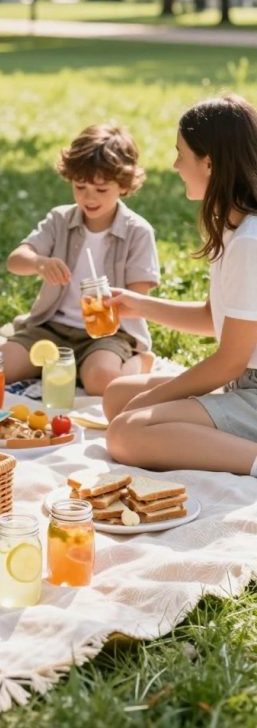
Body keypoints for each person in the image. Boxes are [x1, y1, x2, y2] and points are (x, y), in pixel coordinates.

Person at [104, 94, 257, 477]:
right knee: (116, 396)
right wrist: (138, 305)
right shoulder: (231, 225)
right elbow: (214, 319)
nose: (175, 165)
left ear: (210, 162)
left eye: (180, 154)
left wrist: (148, 402)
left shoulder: (250, 241)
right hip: (243, 382)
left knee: (125, 432)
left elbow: (229, 361)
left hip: (250, 389)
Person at [0, 124, 160, 392]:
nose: (89, 197)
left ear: (123, 185)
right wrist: (40, 263)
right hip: (51, 327)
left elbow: (139, 299)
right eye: (80, 186)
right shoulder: (60, 219)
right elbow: (15, 260)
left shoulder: (138, 232)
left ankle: (140, 362)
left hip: (107, 333)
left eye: (101, 189)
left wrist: (105, 302)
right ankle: (63, 366)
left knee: (102, 382)